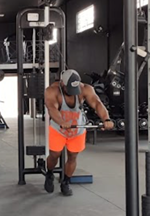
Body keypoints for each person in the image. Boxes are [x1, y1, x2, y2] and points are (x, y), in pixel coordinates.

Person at [44, 69, 114, 197]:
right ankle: (49, 173)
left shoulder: (86, 89)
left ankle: (66, 181)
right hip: (58, 129)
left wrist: (106, 119)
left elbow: (97, 103)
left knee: (72, 157)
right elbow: (52, 108)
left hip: (77, 130)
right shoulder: (52, 91)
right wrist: (61, 121)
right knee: (55, 155)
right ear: (63, 84)